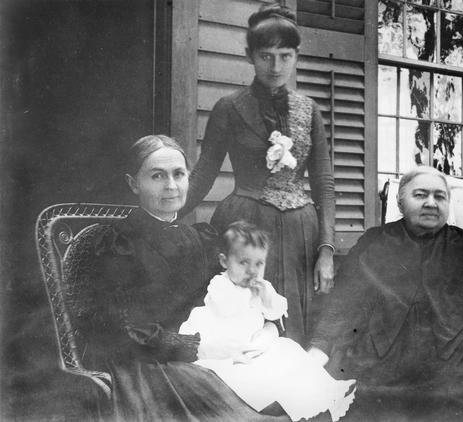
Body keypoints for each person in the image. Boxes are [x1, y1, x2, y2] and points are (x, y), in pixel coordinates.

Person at [67, 135, 289, 421]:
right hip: (148, 362)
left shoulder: (201, 239)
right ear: (134, 184)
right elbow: (123, 330)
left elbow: (235, 293)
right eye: (157, 176)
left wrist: (266, 329)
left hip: (209, 352)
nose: (171, 186)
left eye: (179, 174)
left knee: (289, 384)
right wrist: (199, 347)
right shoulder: (118, 244)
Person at [308, 166, 463, 421]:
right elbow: (343, 302)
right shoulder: (374, 243)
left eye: (440, 197)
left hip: (454, 363)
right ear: (400, 202)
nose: (431, 203)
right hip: (381, 358)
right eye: (420, 195)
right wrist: (321, 345)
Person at [180, 4, 335, 345]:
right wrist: (164, 216)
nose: (276, 66)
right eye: (266, 56)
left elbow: (323, 183)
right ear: (249, 55)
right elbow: (204, 174)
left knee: (291, 327)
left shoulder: (310, 111)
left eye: (285, 55)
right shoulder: (229, 107)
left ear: (296, 56)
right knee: (241, 324)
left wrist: (326, 249)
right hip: (246, 226)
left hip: (301, 235)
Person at [180, 221, 356, 422]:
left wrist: (265, 296)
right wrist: (249, 295)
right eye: (243, 263)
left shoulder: (262, 286)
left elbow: (276, 311)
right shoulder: (220, 284)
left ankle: (320, 394)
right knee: (248, 374)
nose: (252, 271)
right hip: (225, 341)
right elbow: (226, 310)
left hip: (254, 338)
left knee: (291, 351)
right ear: (224, 261)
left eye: (259, 264)